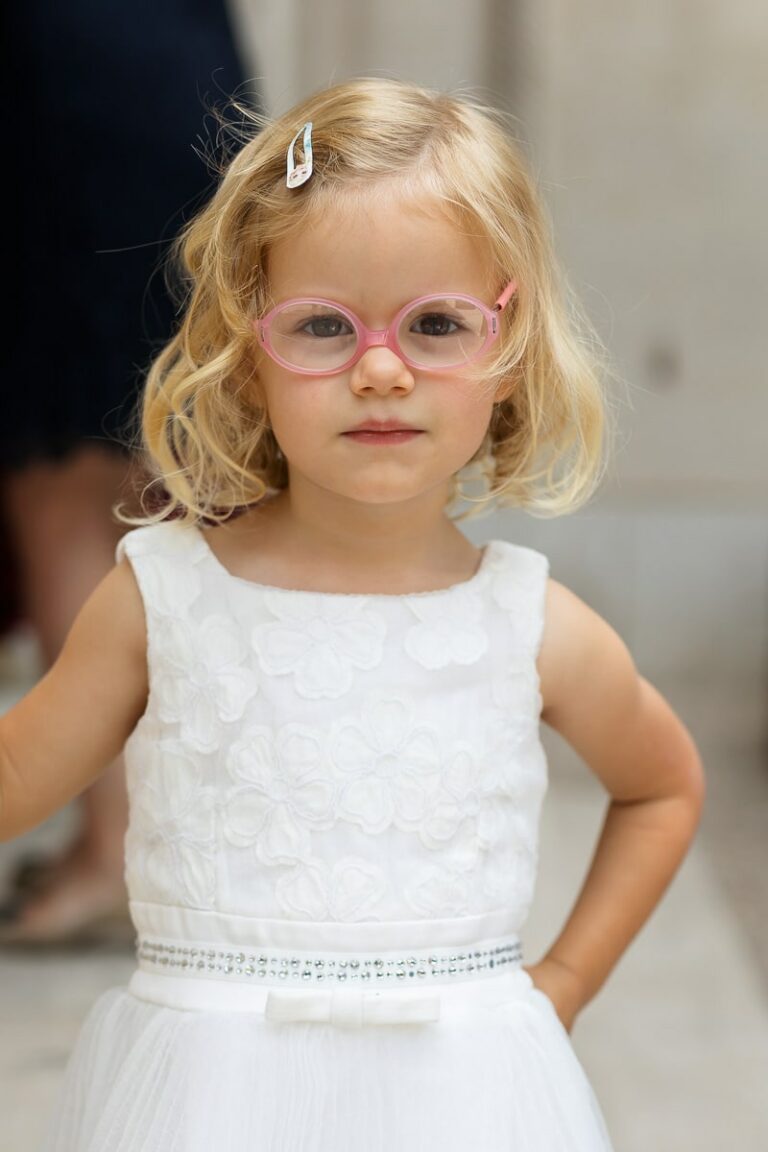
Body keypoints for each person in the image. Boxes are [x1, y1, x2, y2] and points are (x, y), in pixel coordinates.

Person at [0, 78, 705, 1151]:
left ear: (509, 353)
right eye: (324, 326)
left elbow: (661, 785)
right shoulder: (165, 598)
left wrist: (561, 982)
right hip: (207, 1105)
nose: (380, 370)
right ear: (247, 352)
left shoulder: (533, 626)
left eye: (437, 325)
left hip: (464, 1108)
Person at [0, 0, 250, 943]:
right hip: (186, 90)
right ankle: (175, 839)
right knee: (164, 478)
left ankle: (117, 851)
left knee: (70, 481)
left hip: (63, 98)